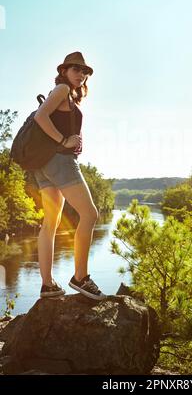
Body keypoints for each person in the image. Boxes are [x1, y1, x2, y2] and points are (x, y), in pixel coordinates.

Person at [32, 52, 106, 301]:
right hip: (59, 162)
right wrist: (64, 140)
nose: (81, 74)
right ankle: (81, 277)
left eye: (84, 71)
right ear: (64, 71)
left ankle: (48, 285)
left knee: (50, 223)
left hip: (43, 165)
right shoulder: (62, 89)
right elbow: (39, 116)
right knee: (90, 213)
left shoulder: (68, 94)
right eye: (76, 69)